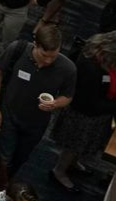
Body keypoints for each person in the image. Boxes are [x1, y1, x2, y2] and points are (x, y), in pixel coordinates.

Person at [0, 23, 76, 176]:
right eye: (44, 55)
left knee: (20, 158)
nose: (48, 61)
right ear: (36, 44)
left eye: (53, 56)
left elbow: (67, 96)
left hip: (36, 124)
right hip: (9, 115)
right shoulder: (17, 50)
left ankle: (5, 182)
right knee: (2, 158)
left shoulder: (68, 69)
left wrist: (55, 103)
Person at [49, 30, 116, 192]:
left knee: (79, 146)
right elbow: (89, 102)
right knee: (74, 145)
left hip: (95, 113)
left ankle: (73, 163)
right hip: (83, 115)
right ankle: (59, 171)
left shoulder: (102, 57)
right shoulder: (92, 67)